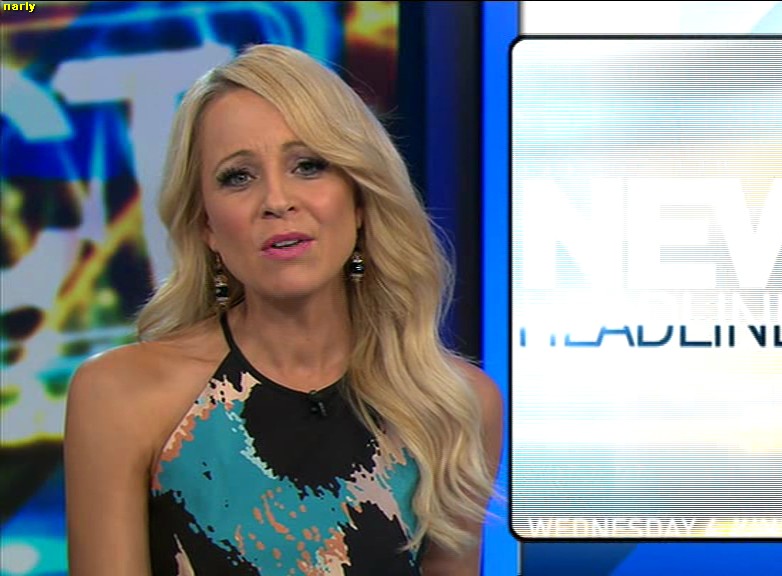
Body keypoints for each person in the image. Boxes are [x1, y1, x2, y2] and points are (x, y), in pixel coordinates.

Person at [63, 44, 503, 576]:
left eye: (308, 166)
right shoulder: (121, 396)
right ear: (206, 225)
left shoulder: (454, 407)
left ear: (360, 199)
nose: (277, 200)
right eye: (238, 177)